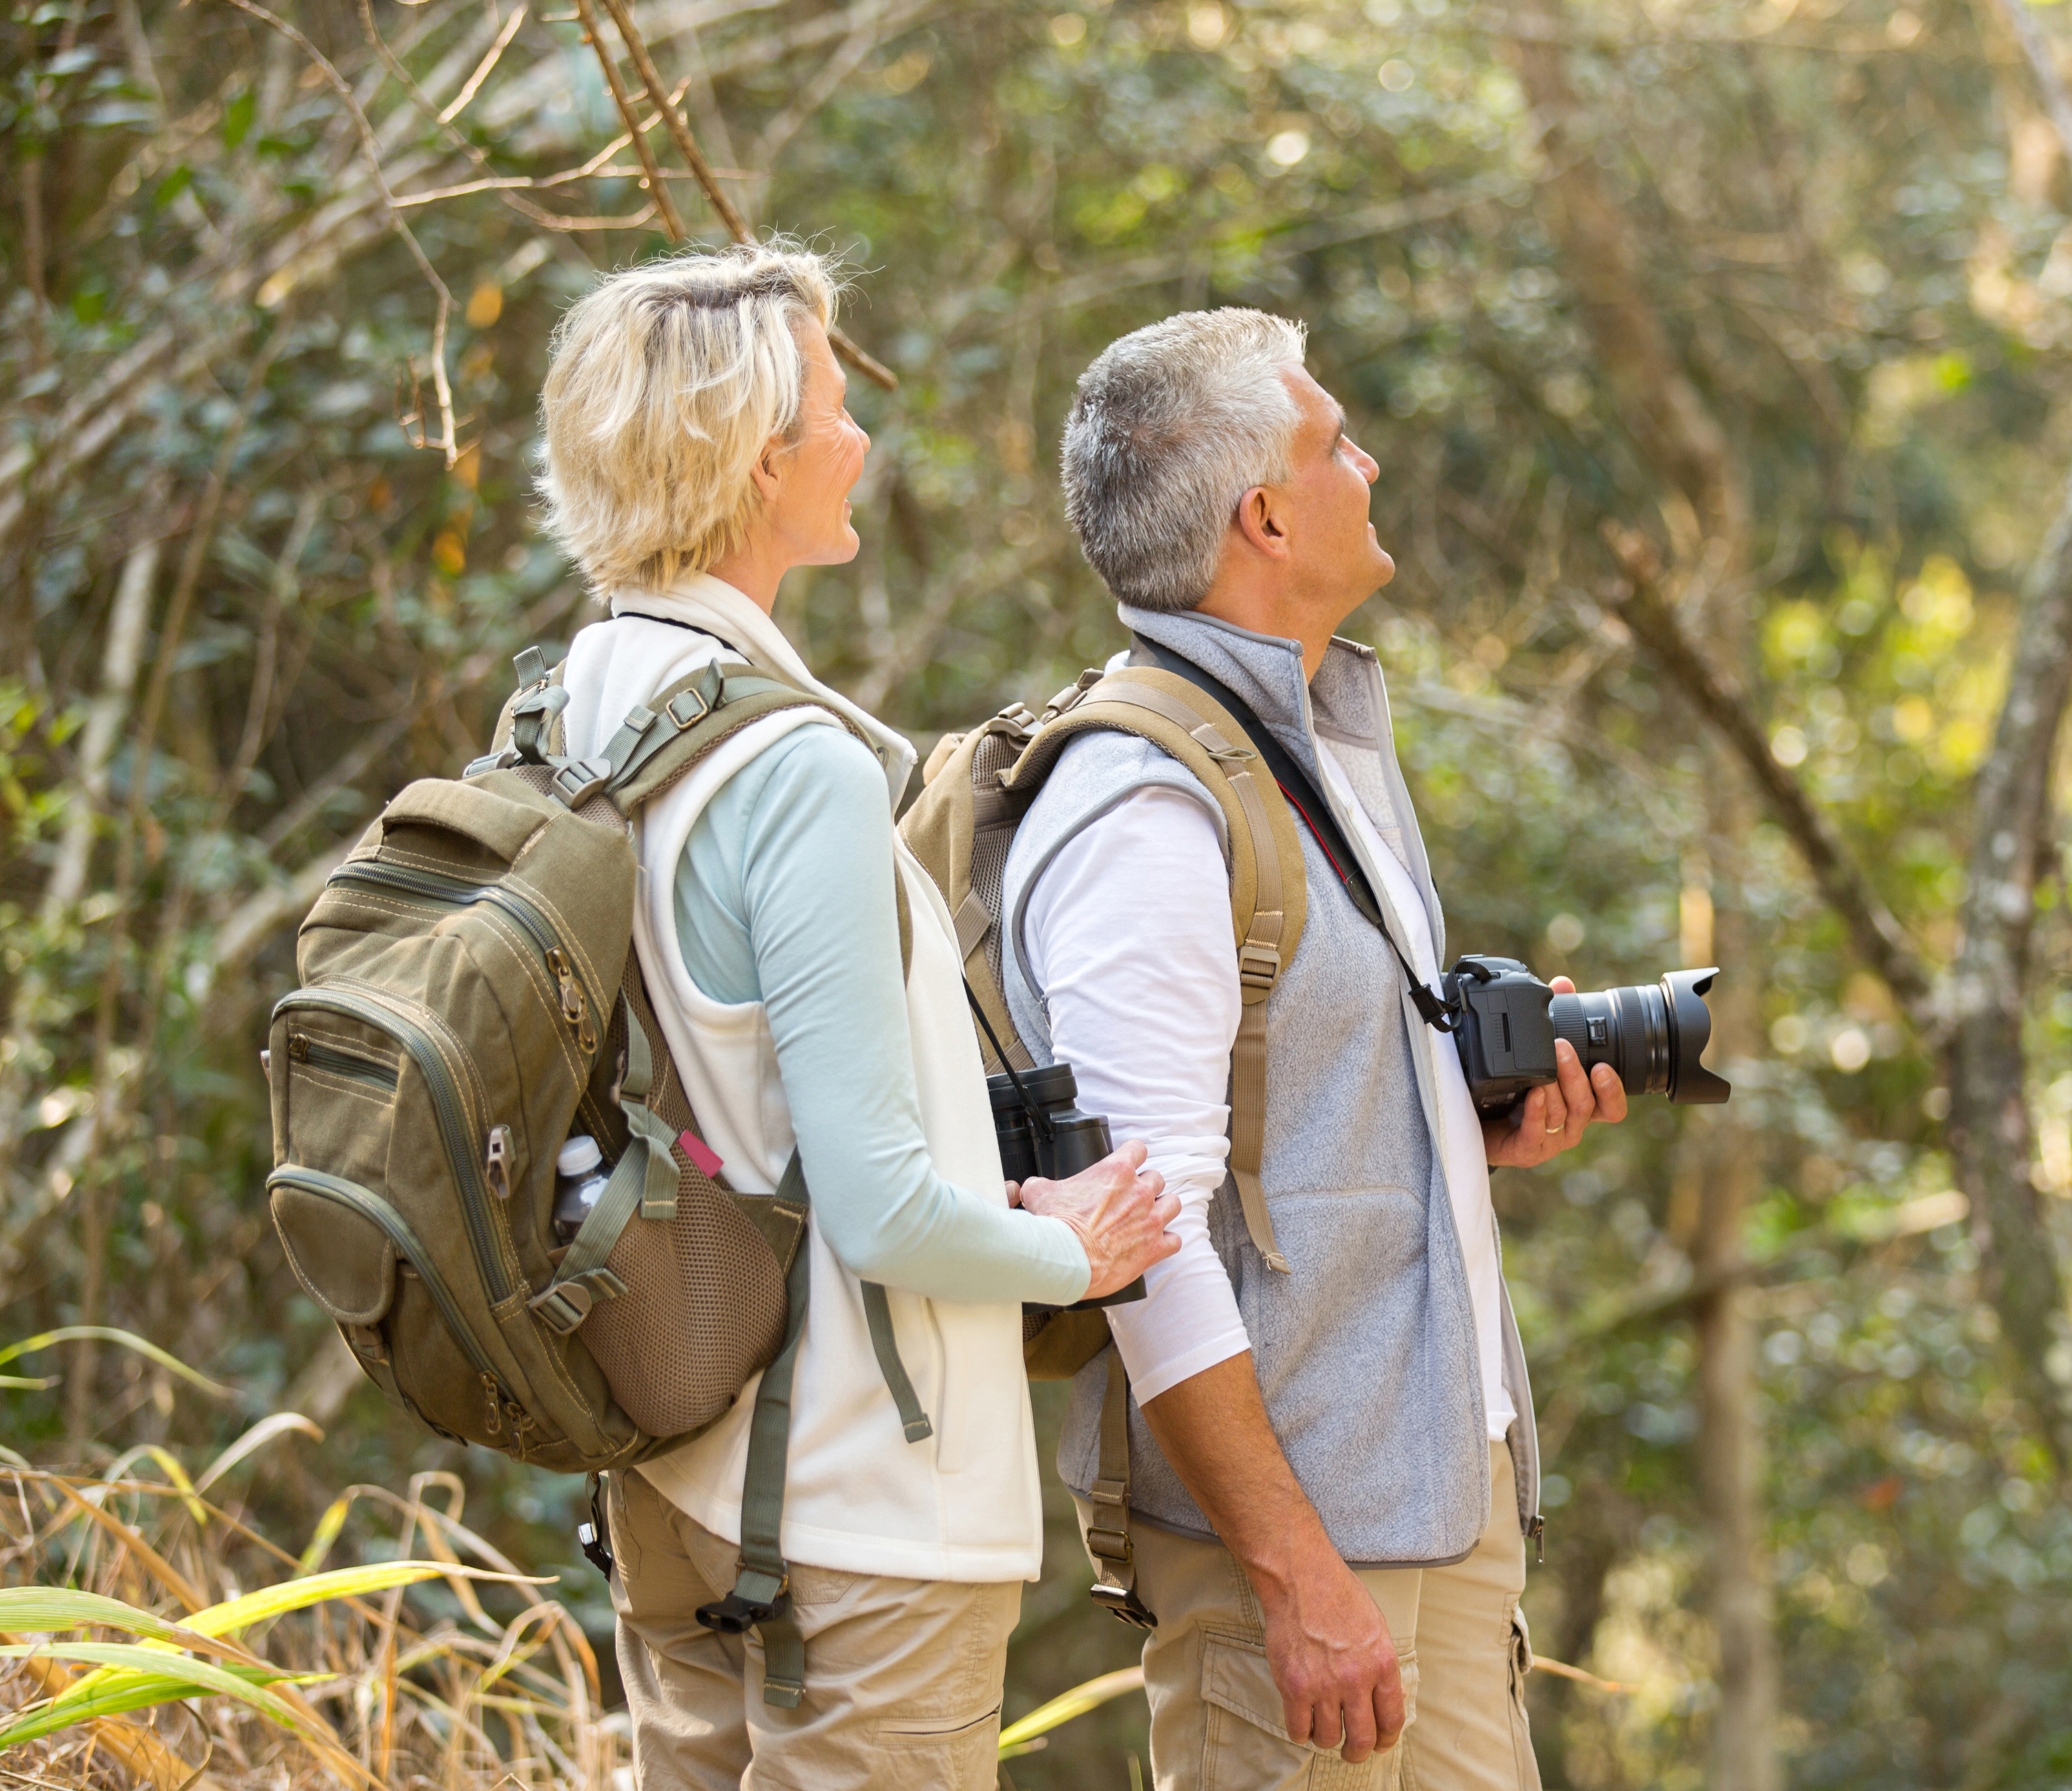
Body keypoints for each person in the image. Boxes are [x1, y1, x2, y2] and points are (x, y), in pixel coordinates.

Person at [532, 240, 1181, 1789]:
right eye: (832, 409)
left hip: (669, 1477)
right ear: (761, 464)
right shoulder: (788, 770)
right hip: (860, 1517)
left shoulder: (577, 704)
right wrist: (1073, 1252)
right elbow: (882, 1209)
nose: (860, 439)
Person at [998, 308, 1628, 1790]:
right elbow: (1144, 1237)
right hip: (1292, 1547)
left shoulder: (1314, 740)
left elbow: (1294, 1112)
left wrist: (1466, 1132)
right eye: (1336, 442)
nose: (1373, 461)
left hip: (1443, 1502)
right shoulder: (1146, 808)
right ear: (1265, 515)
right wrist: (1289, 1574)